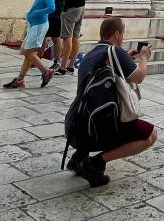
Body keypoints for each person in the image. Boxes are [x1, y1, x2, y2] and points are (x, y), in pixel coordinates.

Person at [66, 16, 156, 186]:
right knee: (150, 135)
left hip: (75, 127)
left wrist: (126, 57)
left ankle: (79, 157)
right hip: (96, 129)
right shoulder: (115, 51)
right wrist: (144, 58)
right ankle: (95, 163)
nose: (122, 38)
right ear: (116, 34)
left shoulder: (91, 54)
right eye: (122, 34)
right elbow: (138, 77)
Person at [4, 0, 57, 89]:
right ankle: (20, 80)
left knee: (28, 52)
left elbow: (52, 8)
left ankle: (46, 72)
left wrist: (36, 13)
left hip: (39, 26)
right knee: (27, 53)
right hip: (35, 26)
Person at [59, 0, 96, 74]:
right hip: (81, 7)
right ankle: (71, 65)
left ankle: (62, 67)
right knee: (75, 36)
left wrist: (66, 7)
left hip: (73, 7)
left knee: (67, 37)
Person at [48, 0, 73, 72]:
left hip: (58, 12)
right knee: (45, 35)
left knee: (55, 37)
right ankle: (36, 57)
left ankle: (57, 61)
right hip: (50, 10)